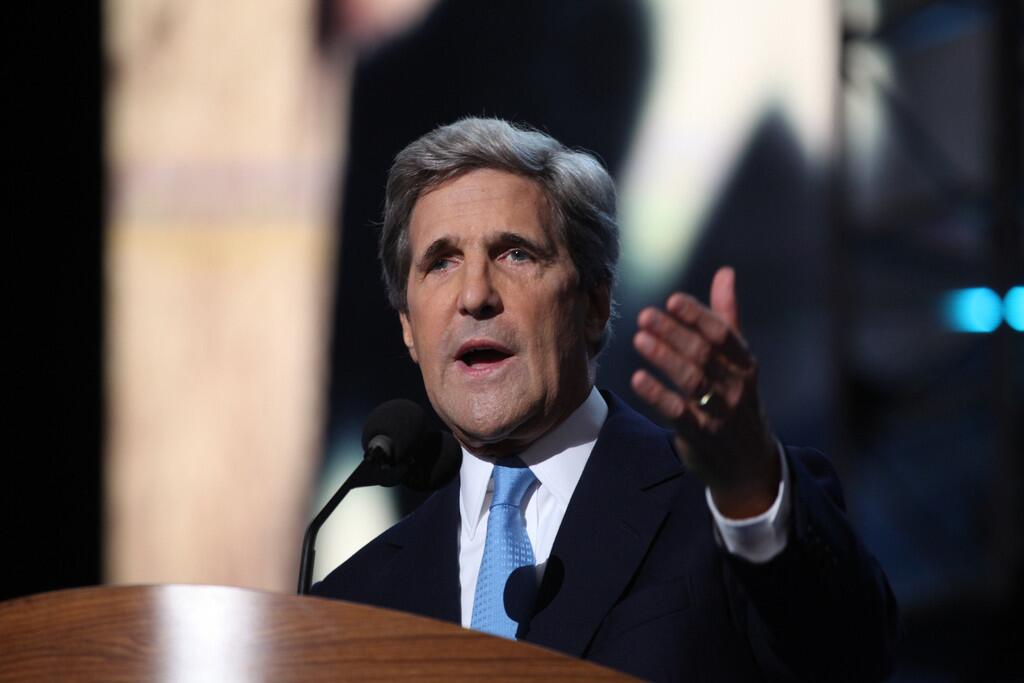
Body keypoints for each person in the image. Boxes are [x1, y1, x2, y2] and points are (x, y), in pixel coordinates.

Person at [312, 117, 899, 681]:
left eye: (515, 253)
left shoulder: (722, 509)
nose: (475, 295)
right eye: (441, 262)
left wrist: (747, 483)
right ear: (409, 327)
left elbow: (848, 657)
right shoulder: (354, 601)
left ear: (594, 304)